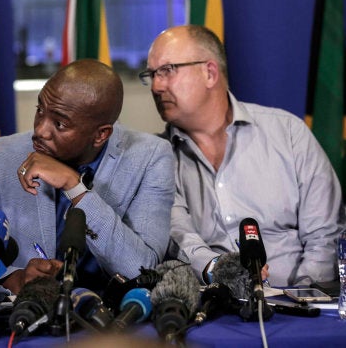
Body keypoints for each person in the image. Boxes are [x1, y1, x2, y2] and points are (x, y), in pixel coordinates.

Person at [144, 24, 344, 286]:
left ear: (210, 73)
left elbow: (325, 234)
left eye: (167, 71)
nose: (156, 86)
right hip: (216, 310)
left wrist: (303, 297)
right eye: (151, 74)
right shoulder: (157, 157)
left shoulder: (287, 132)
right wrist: (222, 273)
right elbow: (178, 236)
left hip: (301, 305)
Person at [0, 58, 175, 294]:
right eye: (40, 111)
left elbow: (143, 270)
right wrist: (15, 279)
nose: (40, 130)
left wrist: (75, 187)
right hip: (25, 318)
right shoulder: (3, 156)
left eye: (59, 123)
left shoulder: (150, 157)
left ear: (101, 135)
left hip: (108, 321)